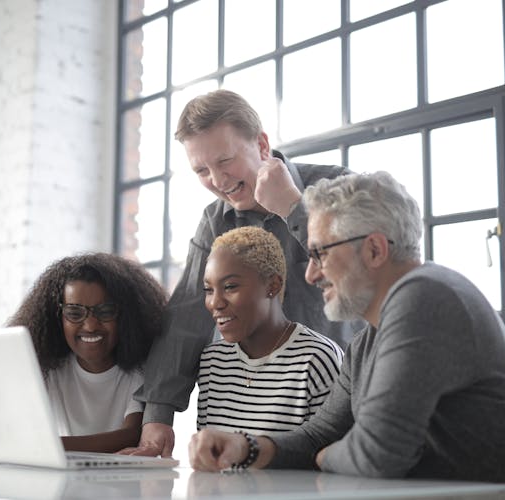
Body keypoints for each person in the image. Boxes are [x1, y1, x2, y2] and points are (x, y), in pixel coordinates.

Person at [188, 172, 505, 499]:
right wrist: (247, 447)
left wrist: (325, 455)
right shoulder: (367, 340)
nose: (311, 275)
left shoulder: (426, 296)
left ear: (375, 249)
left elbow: (376, 455)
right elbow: (319, 435)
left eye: (320, 254)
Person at [125, 89, 361, 457]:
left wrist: (292, 208)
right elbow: (186, 317)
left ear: (262, 144)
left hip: (336, 406)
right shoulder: (214, 220)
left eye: (225, 161)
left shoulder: (337, 187)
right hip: (251, 414)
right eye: (201, 170)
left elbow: (360, 272)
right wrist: (158, 414)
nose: (217, 180)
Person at [0, 253, 167, 453]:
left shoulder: (141, 369)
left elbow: (130, 436)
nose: (90, 325)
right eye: (74, 313)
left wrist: (44, 447)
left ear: (124, 315)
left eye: (105, 311)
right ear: (57, 317)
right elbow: (1, 401)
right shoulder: (48, 368)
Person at [198, 226, 343, 436]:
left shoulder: (317, 359)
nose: (215, 303)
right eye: (208, 290)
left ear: (272, 285)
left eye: (230, 287)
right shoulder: (213, 361)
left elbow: (333, 456)